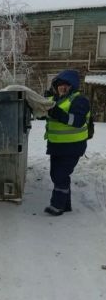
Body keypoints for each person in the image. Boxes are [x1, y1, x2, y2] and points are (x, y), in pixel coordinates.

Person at [42, 69, 90, 216]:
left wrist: (58, 113)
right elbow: (46, 115)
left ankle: (57, 206)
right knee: (55, 174)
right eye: (59, 85)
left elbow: (77, 121)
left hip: (73, 147)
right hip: (57, 146)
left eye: (66, 85)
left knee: (60, 176)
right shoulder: (55, 100)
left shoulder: (79, 100)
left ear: (72, 87)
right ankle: (66, 204)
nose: (62, 88)